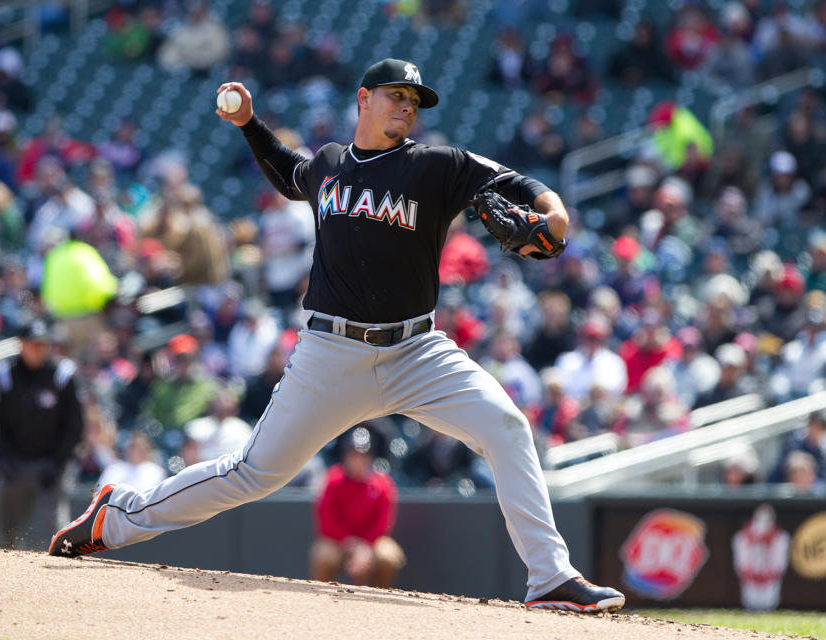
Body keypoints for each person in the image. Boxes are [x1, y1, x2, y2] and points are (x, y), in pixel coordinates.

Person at [49, 57, 624, 613]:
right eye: (396, 95)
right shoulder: (328, 162)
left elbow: (522, 184)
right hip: (331, 351)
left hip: (416, 351)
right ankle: (113, 519)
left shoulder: (435, 165)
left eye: (414, 101)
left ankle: (550, 576)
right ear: (364, 99)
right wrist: (250, 124)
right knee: (251, 474)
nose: (406, 107)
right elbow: (290, 174)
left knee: (507, 427)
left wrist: (553, 216)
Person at [0, 318, 84, 549]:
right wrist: (6, 459)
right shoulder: (7, 375)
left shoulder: (61, 376)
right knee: (8, 532)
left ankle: (54, 577)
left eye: (43, 344)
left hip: (51, 464)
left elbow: (74, 426)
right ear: (21, 344)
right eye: (33, 344)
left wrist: (58, 463)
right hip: (16, 462)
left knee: (54, 532)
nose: (38, 350)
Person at [310, 426, 405, 588]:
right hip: (339, 541)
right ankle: (320, 597)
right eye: (354, 455)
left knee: (389, 556)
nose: (358, 460)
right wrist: (351, 544)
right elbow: (327, 522)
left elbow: (382, 524)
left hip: (371, 542)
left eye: (363, 456)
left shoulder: (383, 483)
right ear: (346, 456)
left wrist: (364, 547)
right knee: (324, 555)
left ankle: (380, 599)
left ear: (370, 458)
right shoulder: (333, 479)